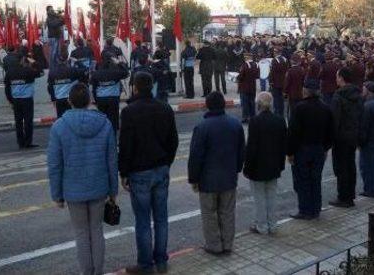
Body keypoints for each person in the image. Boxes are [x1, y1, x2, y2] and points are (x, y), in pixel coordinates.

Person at [47, 83, 118, 275]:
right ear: (89, 100)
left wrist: (57, 195)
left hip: (73, 190)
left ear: (69, 101)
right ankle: (98, 271)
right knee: (96, 231)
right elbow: (112, 160)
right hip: (99, 187)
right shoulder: (105, 123)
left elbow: (55, 165)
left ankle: (86, 271)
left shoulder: (59, 127)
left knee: (81, 233)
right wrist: (113, 191)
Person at [119, 72, 179, 274]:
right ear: (151, 86)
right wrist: (166, 162)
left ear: (135, 88)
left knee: (143, 221)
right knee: (161, 217)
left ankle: (145, 263)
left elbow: (125, 146)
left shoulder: (129, 112)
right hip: (161, 168)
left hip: (140, 172)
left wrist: (124, 172)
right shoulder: (164, 108)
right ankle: (160, 259)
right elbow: (173, 141)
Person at [188, 92, 245, 254]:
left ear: (207, 105)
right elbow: (241, 151)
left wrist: (194, 179)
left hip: (208, 179)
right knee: (227, 212)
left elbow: (195, 156)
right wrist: (237, 168)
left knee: (209, 213)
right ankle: (227, 243)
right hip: (229, 176)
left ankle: (214, 245)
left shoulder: (202, 127)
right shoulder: (235, 124)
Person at [287, 79, 333, 219]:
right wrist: (325, 148)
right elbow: (330, 131)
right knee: (315, 179)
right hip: (319, 149)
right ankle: (316, 208)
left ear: (305, 91)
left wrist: (290, 152)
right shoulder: (325, 108)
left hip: (303, 150)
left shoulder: (300, 108)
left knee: (303, 180)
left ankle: (305, 210)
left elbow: (293, 132)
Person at [243, 92, 287, 234]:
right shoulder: (280, 120)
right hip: (274, 165)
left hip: (258, 166)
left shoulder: (255, 121)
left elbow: (252, 147)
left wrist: (247, 167)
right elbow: (283, 145)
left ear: (258, 104)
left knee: (259, 198)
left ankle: (261, 225)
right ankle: (272, 224)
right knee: (272, 197)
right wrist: (281, 164)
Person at [329, 67, 364, 208]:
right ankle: (350, 195)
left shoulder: (338, 96)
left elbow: (335, 119)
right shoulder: (358, 95)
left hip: (341, 137)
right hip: (353, 135)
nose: (336, 79)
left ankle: (343, 197)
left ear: (342, 78)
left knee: (341, 168)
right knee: (350, 166)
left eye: (337, 76)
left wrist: (330, 139)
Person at [4, 52, 43, 149]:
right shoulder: (28, 71)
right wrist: (32, 61)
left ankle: (20, 142)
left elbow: (7, 88)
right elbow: (41, 71)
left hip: (16, 100)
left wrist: (10, 100)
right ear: (22, 59)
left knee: (18, 121)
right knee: (28, 121)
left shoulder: (10, 72)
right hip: (27, 100)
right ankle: (28, 142)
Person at [91, 52, 130, 133]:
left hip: (101, 99)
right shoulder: (116, 72)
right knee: (114, 121)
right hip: (113, 98)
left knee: (102, 121)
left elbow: (94, 89)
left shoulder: (96, 74)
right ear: (111, 60)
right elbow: (126, 73)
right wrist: (119, 63)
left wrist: (96, 100)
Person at [47, 48, 87, 118]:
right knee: (72, 119)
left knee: (61, 119)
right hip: (71, 100)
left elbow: (50, 87)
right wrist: (77, 61)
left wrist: (53, 99)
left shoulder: (52, 73)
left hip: (59, 100)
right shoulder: (72, 71)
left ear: (58, 60)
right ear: (67, 59)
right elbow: (85, 70)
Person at [237, 51, 260, 123]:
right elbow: (257, 76)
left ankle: (245, 117)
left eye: (245, 57)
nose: (244, 58)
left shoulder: (245, 65)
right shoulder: (256, 64)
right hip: (253, 86)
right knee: (252, 102)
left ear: (247, 57)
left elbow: (241, 76)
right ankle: (253, 116)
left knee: (245, 103)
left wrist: (237, 78)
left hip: (244, 87)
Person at [269, 48, 289, 117]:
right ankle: (281, 113)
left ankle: (276, 114)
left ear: (276, 52)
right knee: (281, 99)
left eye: (274, 52)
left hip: (276, 82)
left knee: (276, 99)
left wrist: (271, 81)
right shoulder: (285, 59)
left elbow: (272, 71)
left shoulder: (275, 60)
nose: (273, 53)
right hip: (283, 82)